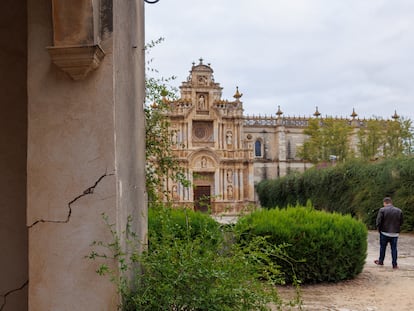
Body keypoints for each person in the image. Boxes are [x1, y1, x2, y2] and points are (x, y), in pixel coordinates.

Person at [375, 197, 403, 269]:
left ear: (385, 203)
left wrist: (379, 229)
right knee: (394, 249)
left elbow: (378, 221)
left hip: (384, 232)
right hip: (395, 233)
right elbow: (401, 222)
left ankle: (381, 261)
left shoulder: (382, 210)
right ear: (391, 202)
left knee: (383, 248)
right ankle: (394, 264)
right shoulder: (399, 211)